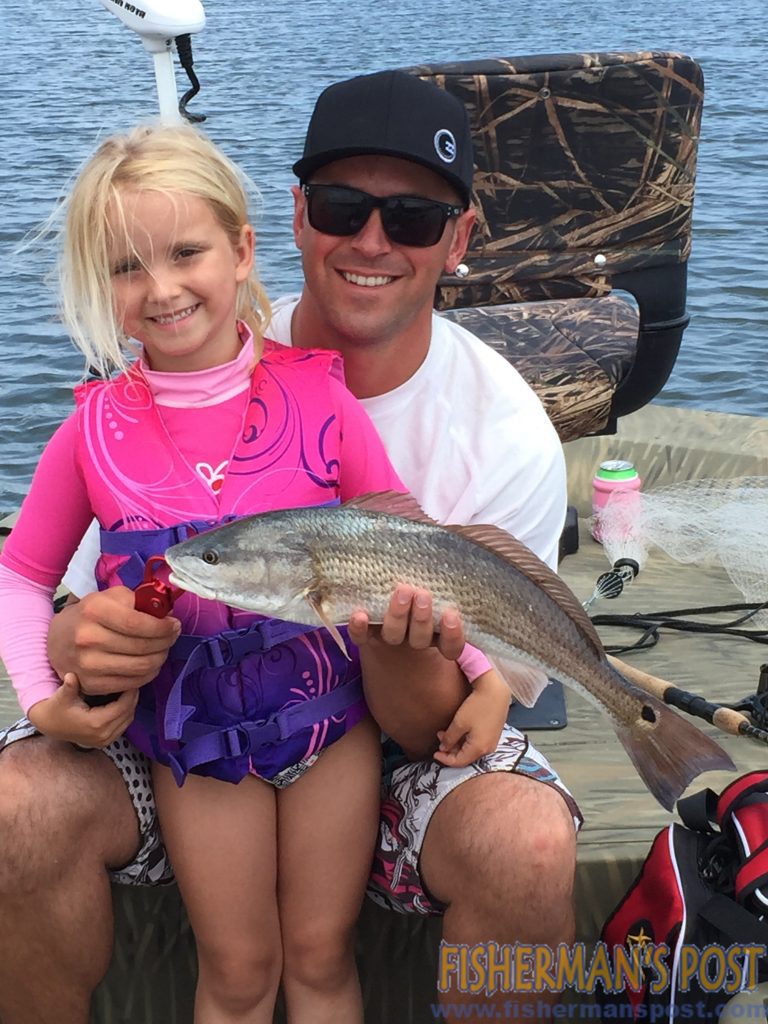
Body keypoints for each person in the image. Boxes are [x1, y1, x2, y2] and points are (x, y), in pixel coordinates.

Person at [0, 72, 580, 1023]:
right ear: (299, 216)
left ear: (239, 250)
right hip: (189, 738)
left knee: (472, 872)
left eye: (414, 220)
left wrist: (477, 670)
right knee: (211, 952)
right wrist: (60, 666)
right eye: (346, 207)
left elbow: (433, 563)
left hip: (352, 732)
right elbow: (38, 583)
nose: (372, 241)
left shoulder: (478, 426)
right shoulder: (130, 398)